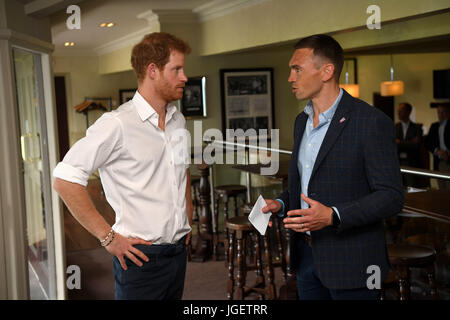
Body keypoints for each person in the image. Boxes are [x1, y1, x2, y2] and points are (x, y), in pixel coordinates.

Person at [53, 32, 193, 300]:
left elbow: (181, 169)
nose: (184, 77)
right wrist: (108, 238)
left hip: (178, 253)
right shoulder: (117, 124)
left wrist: (187, 215)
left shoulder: (178, 120)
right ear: (153, 70)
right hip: (140, 258)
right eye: (176, 69)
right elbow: (64, 179)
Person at [262, 34, 404, 300]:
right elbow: (308, 185)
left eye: (297, 69)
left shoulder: (370, 122)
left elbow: (391, 197)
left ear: (327, 71)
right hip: (306, 258)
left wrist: (334, 215)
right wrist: (281, 204)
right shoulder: (300, 122)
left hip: (354, 263)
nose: (290, 78)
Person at [395, 102, 423, 187]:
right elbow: (393, 144)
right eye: (398, 111)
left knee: (412, 187)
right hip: (397, 162)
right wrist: (409, 142)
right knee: (398, 186)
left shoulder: (417, 127)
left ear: (408, 112)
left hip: (411, 162)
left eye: (401, 110)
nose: (398, 113)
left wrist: (400, 142)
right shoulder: (395, 127)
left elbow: (415, 145)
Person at [425, 104, 450, 189]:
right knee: (441, 188)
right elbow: (428, 143)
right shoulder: (434, 126)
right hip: (438, 161)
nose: (441, 114)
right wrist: (437, 151)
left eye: (443, 112)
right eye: (439, 112)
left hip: (448, 160)